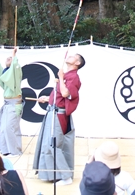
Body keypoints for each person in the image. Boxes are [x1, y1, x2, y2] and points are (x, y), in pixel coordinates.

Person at [32, 53, 85, 185]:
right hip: (53, 111)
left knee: (54, 144)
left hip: (59, 114)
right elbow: (59, 95)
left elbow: (66, 93)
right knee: (48, 144)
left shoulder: (74, 77)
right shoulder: (67, 76)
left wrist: (61, 77)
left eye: (73, 56)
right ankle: (52, 174)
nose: (70, 56)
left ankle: (66, 176)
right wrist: (47, 99)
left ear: (77, 63)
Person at [0, 38, 23, 156]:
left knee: (10, 128)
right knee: (2, 128)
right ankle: (6, 150)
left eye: (11, 58)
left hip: (15, 105)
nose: (9, 58)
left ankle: (15, 151)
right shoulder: (5, 74)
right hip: (7, 104)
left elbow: (15, 65)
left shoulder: (16, 72)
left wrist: (14, 54)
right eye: (8, 58)